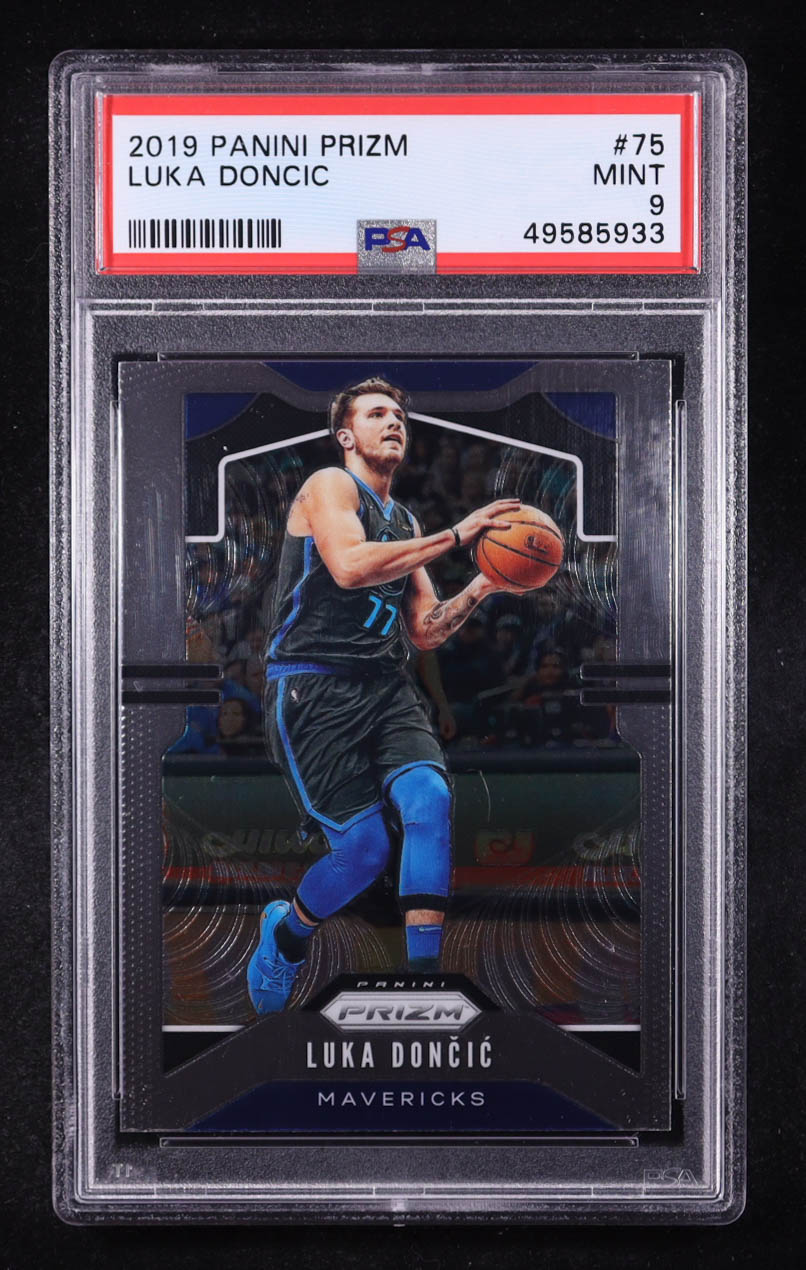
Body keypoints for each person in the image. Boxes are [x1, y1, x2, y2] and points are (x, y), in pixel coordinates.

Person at [247, 377, 521, 1013]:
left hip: (384, 686)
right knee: (366, 853)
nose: (393, 421)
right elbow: (349, 567)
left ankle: (425, 982)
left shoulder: (405, 520)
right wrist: (458, 536)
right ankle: (286, 938)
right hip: (312, 688)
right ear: (347, 436)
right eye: (376, 414)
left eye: (399, 414)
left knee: (430, 798)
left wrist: (484, 583)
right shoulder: (330, 486)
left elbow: (424, 631)